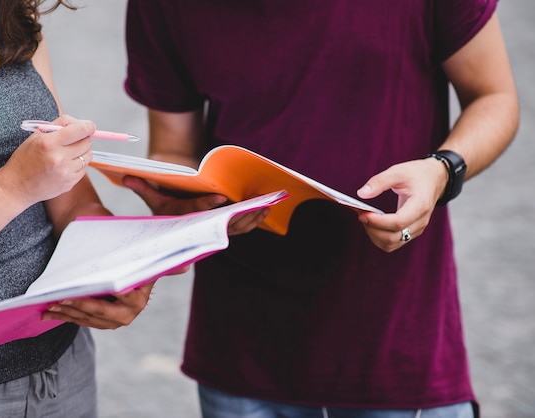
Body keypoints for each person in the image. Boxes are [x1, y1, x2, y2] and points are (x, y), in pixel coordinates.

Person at [121, 0, 519, 417]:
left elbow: (494, 97)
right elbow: (173, 147)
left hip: (395, 334)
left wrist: (441, 171)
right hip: (241, 341)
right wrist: (187, 207)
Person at [0, 0, 163, 416]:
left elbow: (63, 195)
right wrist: (10, 187)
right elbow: (27, 182)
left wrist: (119, 264)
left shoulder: (6, 12)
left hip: (62, 368)